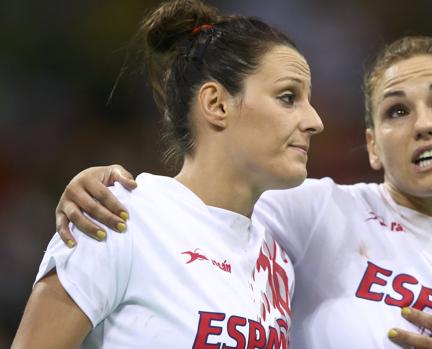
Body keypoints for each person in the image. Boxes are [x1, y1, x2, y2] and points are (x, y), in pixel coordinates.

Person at [51, 37, 432, 348]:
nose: (424, 125)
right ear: (372, 146)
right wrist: (106, 184)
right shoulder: (317, 211)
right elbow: (201, 202)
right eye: (397, 111)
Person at [11, 0, 325, 347]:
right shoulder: (119, 216)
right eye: (287, 97)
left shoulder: (275, 260)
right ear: (216, 104)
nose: (314, 121)